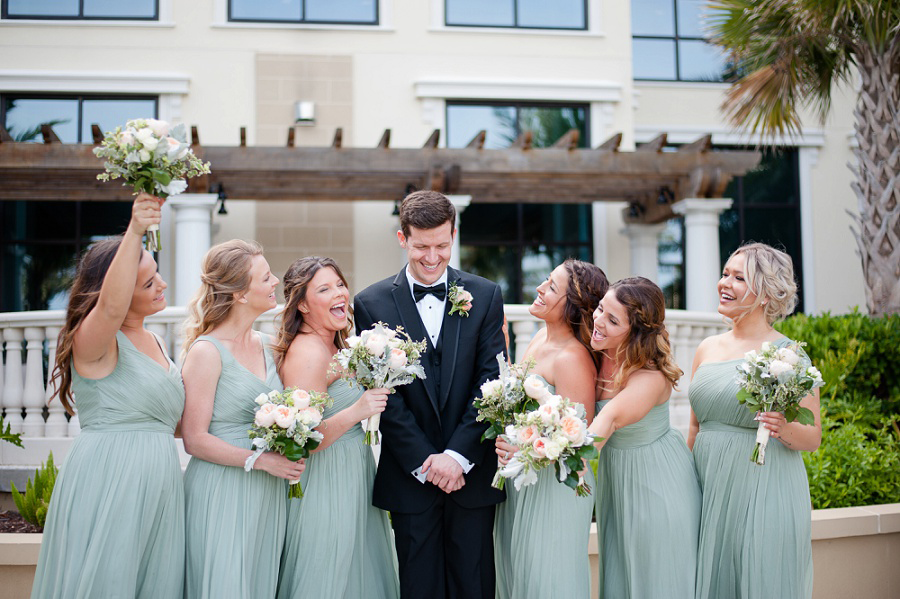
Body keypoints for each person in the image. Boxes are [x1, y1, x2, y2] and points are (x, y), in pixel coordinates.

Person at [353, 190, 507, 599]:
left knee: (474, 586)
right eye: (421, 246)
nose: (432, 257)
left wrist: (456, 457)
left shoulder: (487, 295)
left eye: (442, 245)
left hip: (470, 476)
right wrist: (426, 461)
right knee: (417, 588)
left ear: (454, 235)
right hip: (410, 477)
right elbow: (384, 395)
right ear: (402, 238)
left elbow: (491, 382)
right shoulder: (370, 303)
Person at [31, 193, 185, 598]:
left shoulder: (153, 338)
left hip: (160, 481)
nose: (162, 285)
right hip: (112, 477)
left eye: (158, 275)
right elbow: (112, 306)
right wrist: (136, 229)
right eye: (149, 282)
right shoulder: (94, 340)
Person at [688, 242, 820, 599]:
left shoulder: (789, 355)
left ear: (764, 293)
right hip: (709, 482)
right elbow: (695, 427)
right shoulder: (707, 348)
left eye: (738, 278)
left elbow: (812, 437)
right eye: (725, 273)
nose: (723, 283)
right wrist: (687, 484)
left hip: (764, 482)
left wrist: (783, 426)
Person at [181, 240, 304, 599]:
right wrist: (262, 461)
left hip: (267, 491)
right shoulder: (207, 351)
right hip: (223, 488)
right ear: (238, 293)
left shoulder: (270, 344)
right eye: (265, 278)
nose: (275, 282)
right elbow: (194, 438)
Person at [273, 256, 399, 599]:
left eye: (340, 284)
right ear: (302, 304)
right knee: (327, 572)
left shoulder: (336, 343)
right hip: (325, 480)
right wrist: (358, 410)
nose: (339, 294)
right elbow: (302, 440)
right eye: (324, 289)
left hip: (353, 472)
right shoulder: (309, 352)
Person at [493, 259, 608, 598]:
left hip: (555, 488)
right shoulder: (541, 335)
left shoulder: (572, 358)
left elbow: (577, 441)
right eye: (546, 280)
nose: (540, 288)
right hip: (525, 478)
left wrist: (524, 450)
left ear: (572, 307)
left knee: (547, 579)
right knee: (520, 577)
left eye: (552, 287)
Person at [587, 277, 701, 598]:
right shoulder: (598, 355)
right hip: (617, 481)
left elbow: (607, 419)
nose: (598, 321)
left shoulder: (649, 377)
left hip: (657, 485)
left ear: (635, 332)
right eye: (599, 310)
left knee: (656, 578)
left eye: (612, 320)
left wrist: (558, 456)